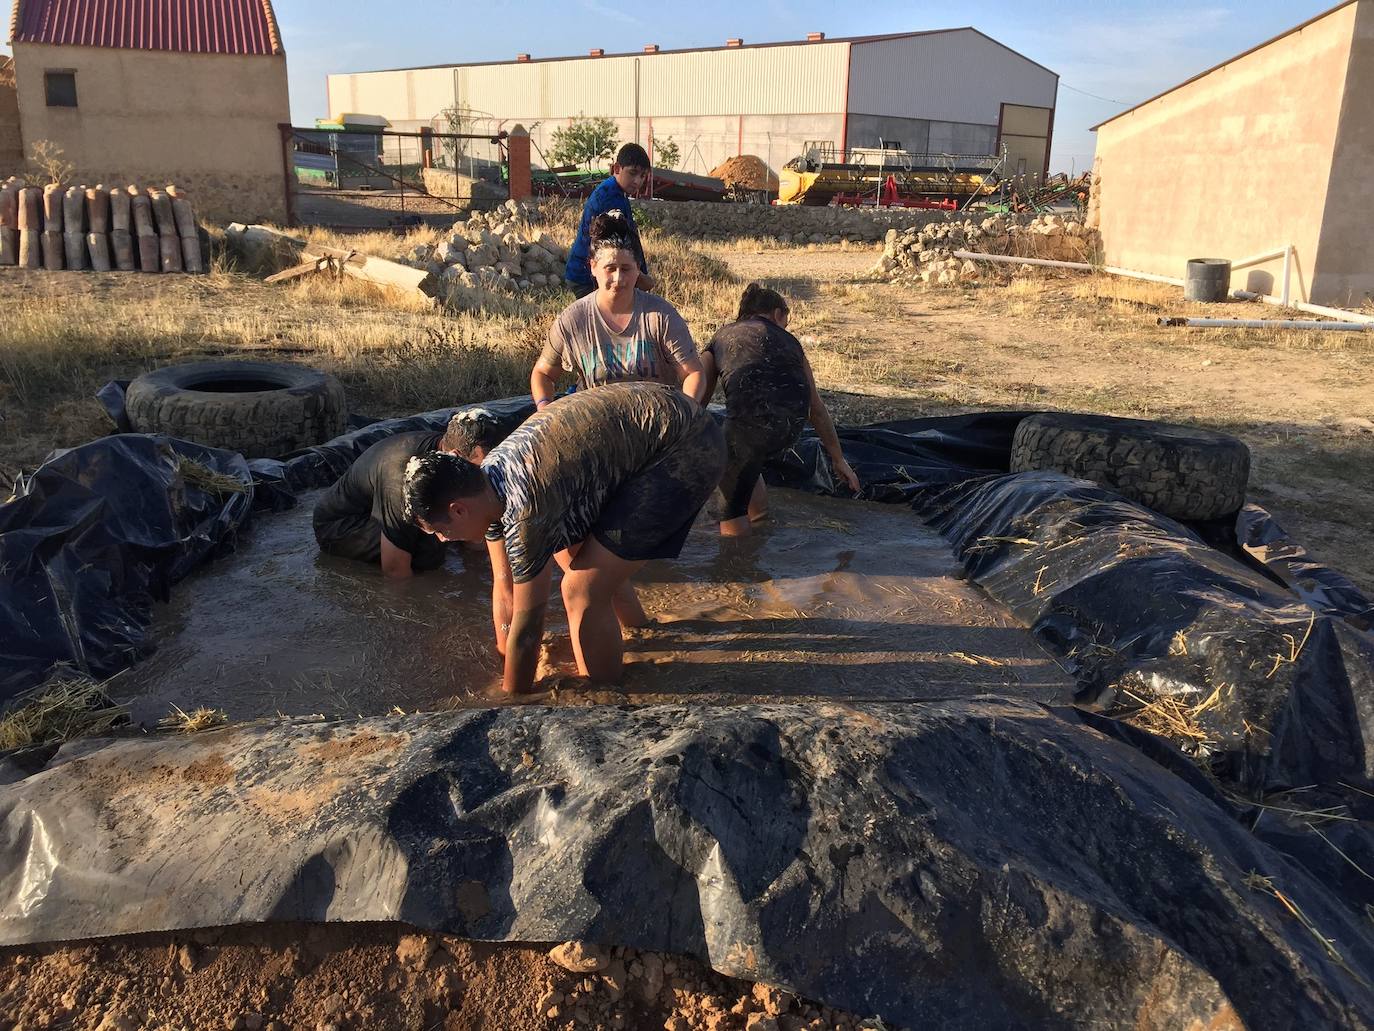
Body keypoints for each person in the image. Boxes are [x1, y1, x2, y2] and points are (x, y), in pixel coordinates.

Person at [404, 382, 726, 696]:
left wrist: (511, 699)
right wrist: (505, 654)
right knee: (577, 557)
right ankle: (642, 632)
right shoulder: (486, 482)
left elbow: (529, 628)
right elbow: (506, 590)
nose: (445, 541)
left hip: (686, 446)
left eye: (440, 531)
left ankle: (604, 696)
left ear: (458, 510)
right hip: (657, 428)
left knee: (581, 589)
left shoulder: (523, 509)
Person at [704, 283, 861, 537]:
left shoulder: (722, 337)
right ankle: (761, 520)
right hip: (790, 429)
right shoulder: (792, 344)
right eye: (786, 321)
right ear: (778, 314)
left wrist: (683, 435)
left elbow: (700, 391)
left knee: (731, 508)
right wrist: (838, 459)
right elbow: (816, 408)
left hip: (747, 430)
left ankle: (734, 565)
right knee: (748, 459)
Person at [534, 210, 709, 407]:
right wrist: (543, 408)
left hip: (657, 423)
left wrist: (686, 414)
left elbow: (693, 373)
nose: (619, 279)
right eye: (610, 268)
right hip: (597, 421)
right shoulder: (573, 320)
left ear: (638, 267)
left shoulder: (661, 317)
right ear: (593, 267)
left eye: (626, 269)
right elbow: (543, 373)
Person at [312, 409, 508, 578]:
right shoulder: (403, 478)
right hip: (342, 526)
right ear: (456, 455)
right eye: (479, 469)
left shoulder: (451, 462)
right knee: (428, 551)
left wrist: (480, 570)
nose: (484, 478)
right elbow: (395, 570)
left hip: (385, 505)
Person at [565, 143, 656, 297]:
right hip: (589, 277)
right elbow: (616, 248)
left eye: (642, 176)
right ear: (617, 169)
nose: (637, 181)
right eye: (633, 173)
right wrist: (640, 277)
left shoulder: (617, 192)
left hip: (591, 273)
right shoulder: (609, 198)